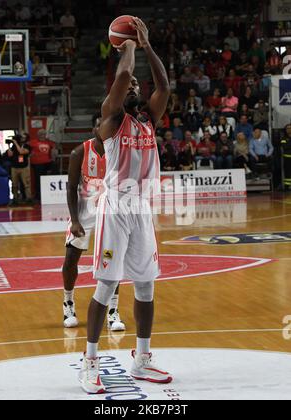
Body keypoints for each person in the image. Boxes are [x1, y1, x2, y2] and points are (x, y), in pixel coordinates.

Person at [79, 18, 172, 394]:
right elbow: (121, 80)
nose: (135, 85)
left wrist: (147, 45)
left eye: (137, 84)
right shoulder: (111, 118)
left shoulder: (148, 119)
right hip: (115, 207)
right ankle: (90, 362)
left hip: (142, 209)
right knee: (106, 285)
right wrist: (128, 47)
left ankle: (142, 359)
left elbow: (163, 85)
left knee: (146, 285)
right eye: (130, 84)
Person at [63, 115, 125, 331]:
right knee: (71, 259)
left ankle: (113, 310)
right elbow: (71, 188)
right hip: (84, 214)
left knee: (111, 261)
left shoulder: (117, 151)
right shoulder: (79, 152)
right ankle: (68, 303)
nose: (105, 128)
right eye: (101, 125)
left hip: (109, 214)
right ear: (94, 128)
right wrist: (75, 220)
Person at [30, 129, 56, 201]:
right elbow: (26, 149)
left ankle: (47, 194)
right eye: (41, 134)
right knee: (38, 180)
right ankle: (38, 196)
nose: (42, 135)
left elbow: (55, 147)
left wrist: (54, 152)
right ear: (38, 135)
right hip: (37, 163)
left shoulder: (49, 142)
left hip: (47, 163)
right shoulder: (32, 142)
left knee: (47, 180)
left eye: (44, 134)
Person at [7, 134, 32, 205]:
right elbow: (10, 155)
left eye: (23, 137)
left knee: (26, 184)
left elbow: (21, 152)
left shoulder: (27, 146)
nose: (21, 138)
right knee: (14, 184)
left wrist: (15, 143)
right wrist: (9, 147)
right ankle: (15, 198)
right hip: (14, 167)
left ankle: (29, 198)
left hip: (24, 168)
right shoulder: (14, 147)